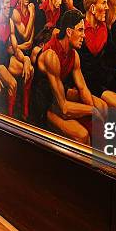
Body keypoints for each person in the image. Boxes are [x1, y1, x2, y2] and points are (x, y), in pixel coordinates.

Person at [29, 10, 107, 144]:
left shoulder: (74, 55)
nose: (84, 35)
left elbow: (83, 89)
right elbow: (64, 108)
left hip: (58, 96)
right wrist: (92, 110)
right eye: (80, 30)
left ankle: (100, 154)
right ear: (69, 32)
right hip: (44, 105)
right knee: (82, 135)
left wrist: (93, 113)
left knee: (102, 106)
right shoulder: (51, 56)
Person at [0, 0, 33, 118]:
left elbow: (15, 49)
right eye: (6, 6)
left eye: (9, 6)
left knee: (30, 70)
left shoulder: (10, 23)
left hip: (8, 58)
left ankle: (25, 110)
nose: (8, 9)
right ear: (1, 7)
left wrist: (26, 60)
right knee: (13, 84)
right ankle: (10, 116)